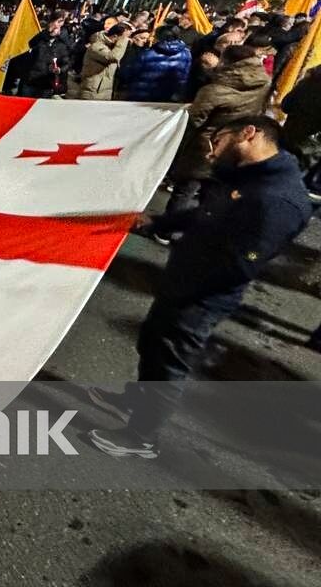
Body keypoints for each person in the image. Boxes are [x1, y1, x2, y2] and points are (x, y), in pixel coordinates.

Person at [89, 116, 312, 458]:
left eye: (217, 141)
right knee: (151, 342)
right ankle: (136, 399)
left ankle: (143, 436)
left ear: (248, 134)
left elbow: (240, 265)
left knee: (169, 362)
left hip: (201, 297)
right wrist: (158, 222)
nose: (210, 153)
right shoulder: (248, 177)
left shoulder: (278, 199)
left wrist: (188, 290)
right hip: (182, 280)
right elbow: (207, 214)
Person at [153, 44, 272, 242]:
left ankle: (165, 230)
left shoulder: (215, 90)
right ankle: (199, 233)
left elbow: (195, 119)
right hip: (236, 145)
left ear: (227, 62)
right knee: (213, 193)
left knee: (185, 190)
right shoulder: (264, 84)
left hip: (205, 145)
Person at [118, 26, 192, 103]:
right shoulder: (186, 53)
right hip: (172, 98)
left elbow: (129, 74)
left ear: (158, 36)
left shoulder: (147, 54)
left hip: (145, 98)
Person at [20, 11, 72, 98]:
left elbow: (67, 62)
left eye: (60, 22)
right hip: (31, 79)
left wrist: (60, 70)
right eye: (55, 21)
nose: (56, 25)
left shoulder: (63, 42)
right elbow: (31, 43)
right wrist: (48, 32)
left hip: (47, 83)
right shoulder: (42, 36)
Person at [75, 24, 130, 100]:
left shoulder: (114, 48)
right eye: (124, 38)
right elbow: (112, 57)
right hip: (92, 92)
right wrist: (123, 42)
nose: (127, 40)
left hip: (106, 92)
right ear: (115, 36)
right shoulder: (96, 46)